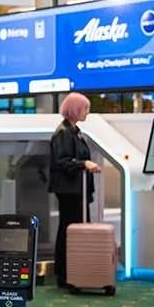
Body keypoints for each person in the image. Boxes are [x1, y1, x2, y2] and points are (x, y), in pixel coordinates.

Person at [48, 91, 102, 289]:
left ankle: (72, 271)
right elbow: (61, 162)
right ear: (76, 109)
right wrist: (83, 164)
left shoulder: (74, 131)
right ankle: (64, 273)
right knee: (68, 230)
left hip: (77, 189)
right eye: (85, 108)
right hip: (69, 190)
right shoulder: (63, 132)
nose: (87, 112)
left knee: (72, 230)